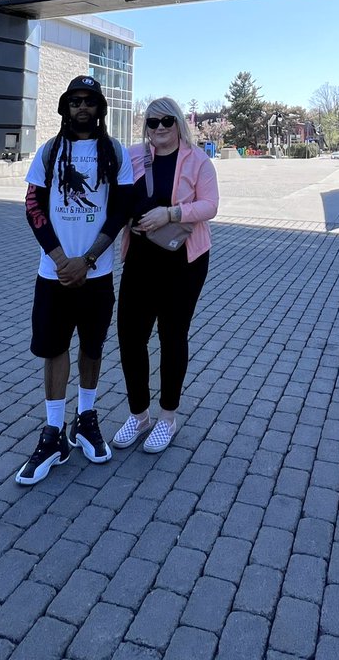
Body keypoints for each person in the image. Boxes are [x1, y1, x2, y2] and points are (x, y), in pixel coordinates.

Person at [16, 75, 133, 484]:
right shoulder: (49, 151)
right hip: (53, 273)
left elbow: (121, 209)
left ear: (100, 109)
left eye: (90, 101)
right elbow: (33, 204)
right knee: (54, 349)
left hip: (96, 273)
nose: (82, 108)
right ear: (65, 108)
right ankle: (53, 433)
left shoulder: (115, 152)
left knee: (93, 346)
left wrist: (89, 259)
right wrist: (62, 259)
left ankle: (86, 419)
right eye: (75, 101)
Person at [113, 98, 219, 453]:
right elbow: (115, 195)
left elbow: (210, 205)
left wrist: (171, 214)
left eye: (167, 121)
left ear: (179, 124)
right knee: (130, 336)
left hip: (183, 262)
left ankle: (167, 417)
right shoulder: (132, 156)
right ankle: (139, 414)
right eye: (152, 121)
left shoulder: (197, 160)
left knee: (173, 336)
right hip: (140, 258)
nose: (159, 128)